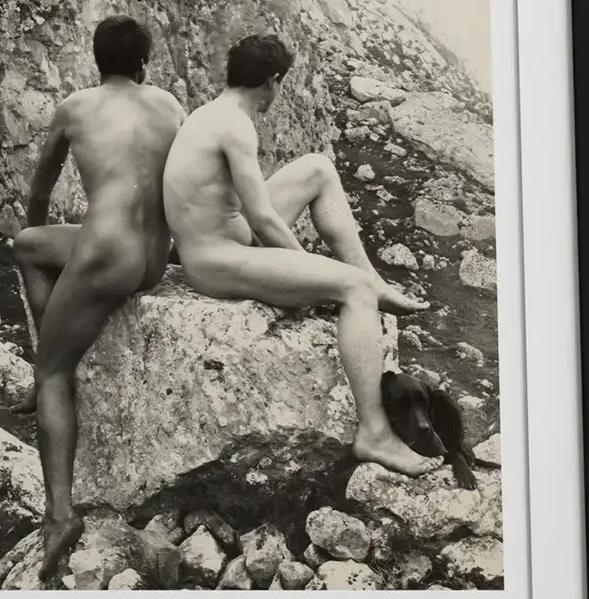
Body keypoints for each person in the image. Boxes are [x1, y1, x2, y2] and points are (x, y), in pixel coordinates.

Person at [162, 33, 442, 477]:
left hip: (220, 239)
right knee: (351, 289)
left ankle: (376, 283)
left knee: (318, 167)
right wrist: (314, 269)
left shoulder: (211, 113)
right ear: (272, 82)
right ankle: (374, 433)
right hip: (216, 260)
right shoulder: (235, 126)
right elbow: (264, 220)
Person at [12, 15, 184, 577]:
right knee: (32, 246)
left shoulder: (75, 107)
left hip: (105, 252)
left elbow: (39, 193)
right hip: (154, 260)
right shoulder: (170, 107)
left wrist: (33, 223)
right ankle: (51, 353)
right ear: (144, 64)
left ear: (96, 61)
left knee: (53, 369)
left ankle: (61, 514)